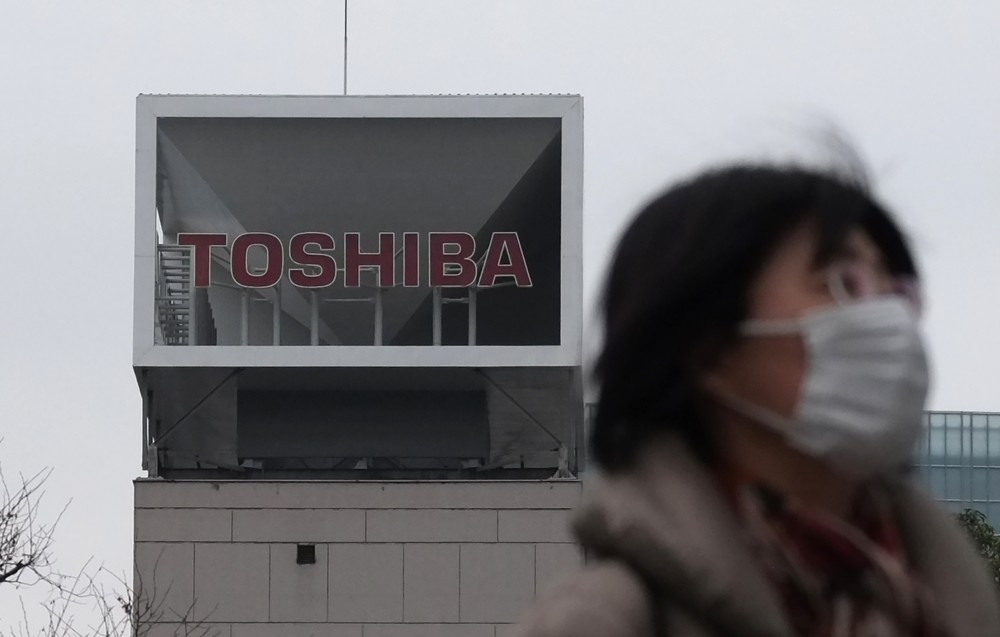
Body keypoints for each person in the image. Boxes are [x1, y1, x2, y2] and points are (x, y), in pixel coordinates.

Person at [515, 163, 1000, 637]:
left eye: (896, 291)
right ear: (710, 352)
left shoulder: (940, 607)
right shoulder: (601, 621)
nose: (888, 318)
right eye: (845, 283)